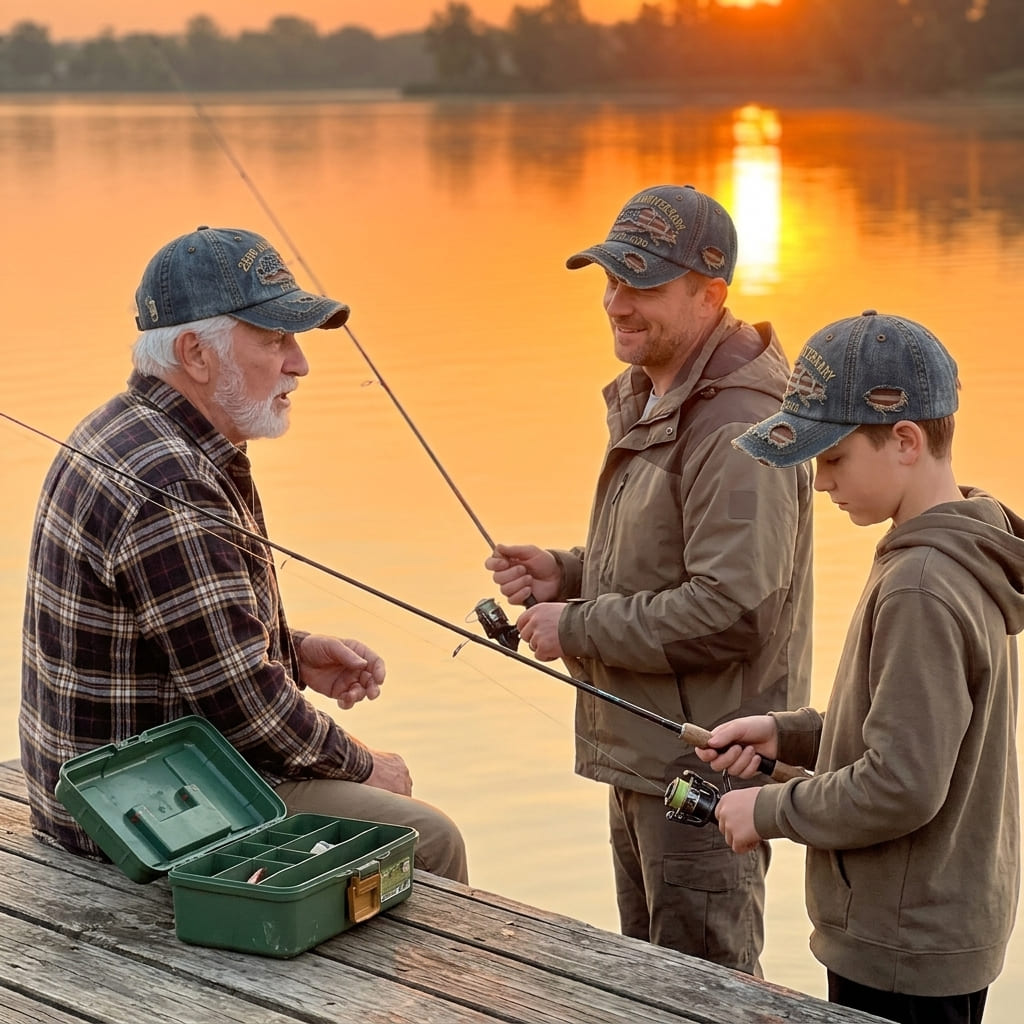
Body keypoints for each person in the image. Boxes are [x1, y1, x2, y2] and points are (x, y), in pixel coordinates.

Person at [20, 225, 468, 884]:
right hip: (139, 817)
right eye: (275, 339)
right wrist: (367, 765)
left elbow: (186, 641)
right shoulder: (171, 484)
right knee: (428, 837)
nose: (299, 363)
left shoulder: (126, 427)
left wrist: (290, 650)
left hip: (118, 787)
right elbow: (243, 706)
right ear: (196, 354)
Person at [485, 185, 813, 973]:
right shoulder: (662, 390)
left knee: (702, 993)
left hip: (703, 771)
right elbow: (668, 560)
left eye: (644, 284)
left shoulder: (737, 425)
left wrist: (576, 625)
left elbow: (732, 611)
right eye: (611, 279)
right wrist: (566, 575)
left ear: (711, 294)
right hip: (648, 758)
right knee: (649, 983)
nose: (616, 303)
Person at [699, 310, 1022, 1023]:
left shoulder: (921, 584)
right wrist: (791, 735)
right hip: (935, 927)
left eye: (834, 458)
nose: (819, 482)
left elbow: (901, 786)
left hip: (903, 949)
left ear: (905, 441)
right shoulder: (965, 548)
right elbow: (920, 731)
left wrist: (769, 810)